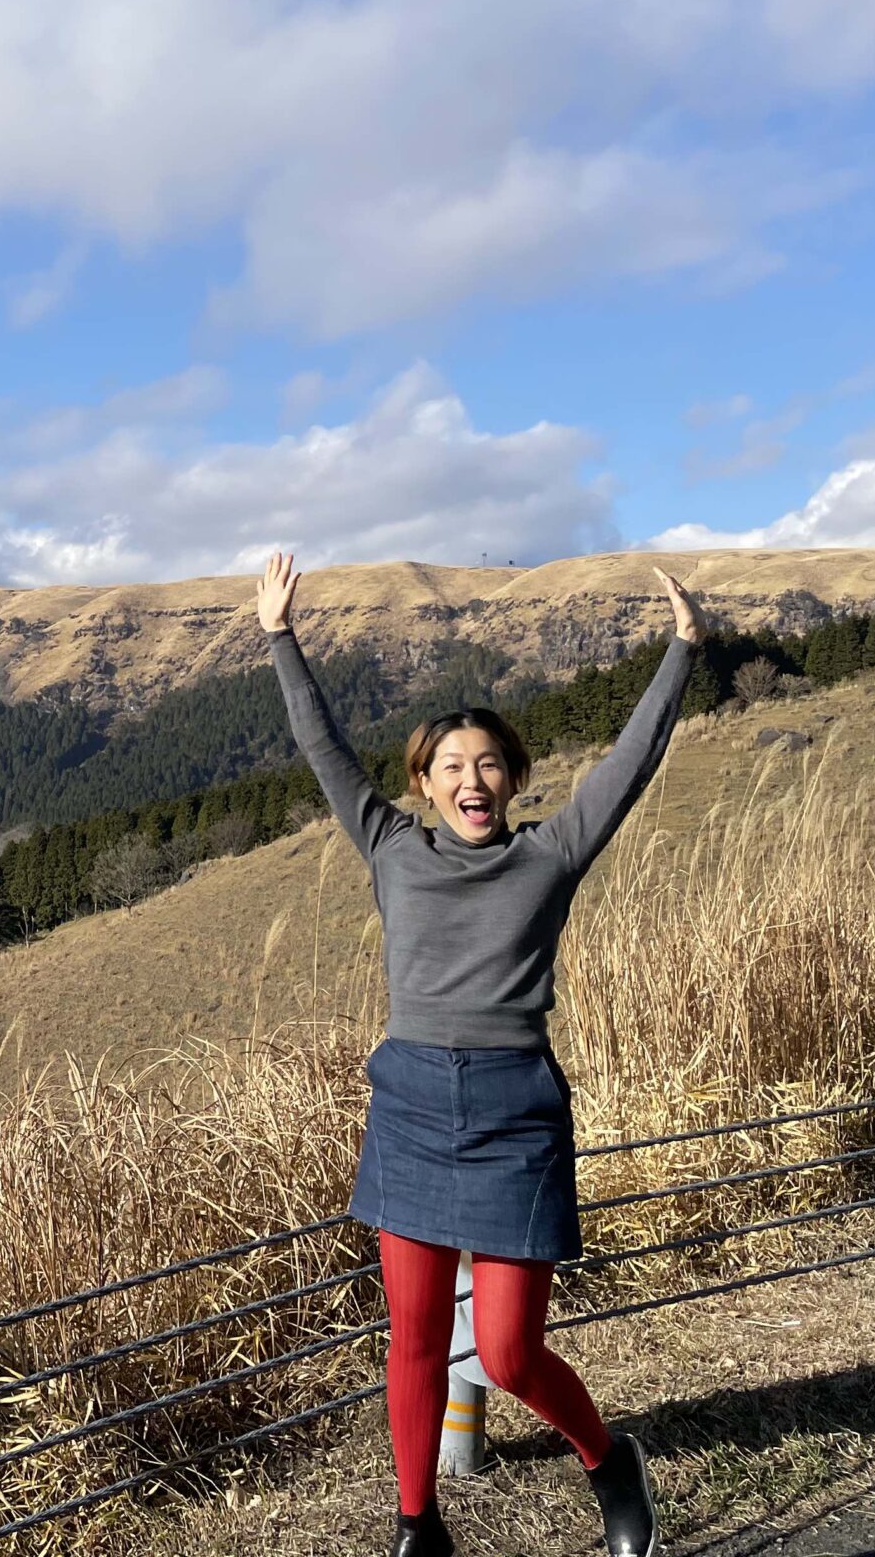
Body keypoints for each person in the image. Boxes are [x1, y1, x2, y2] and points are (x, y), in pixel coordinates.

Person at [257, 550, 702, 1557]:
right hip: (410, 1104)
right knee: (410, 1338)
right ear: (420, 782)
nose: (473, 779)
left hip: (512, 1112)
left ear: (512, 777)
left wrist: (682, 650)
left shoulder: (550, 853)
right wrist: (279, 638)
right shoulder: (389, 847)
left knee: (505, 1351)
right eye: (450, 766)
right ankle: (418, 1525)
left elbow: (630, 763)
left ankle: (607, 1458)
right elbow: (323, 749)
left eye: (489, 763)